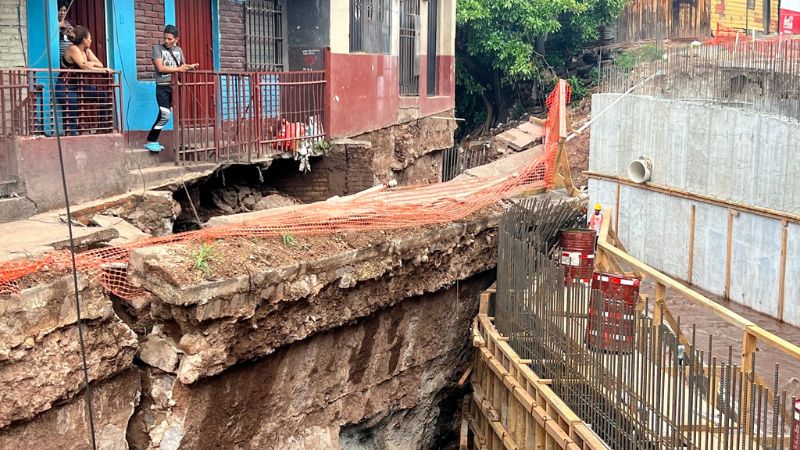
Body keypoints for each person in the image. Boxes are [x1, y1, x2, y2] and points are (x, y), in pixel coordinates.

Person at [144, 24, 199, 153]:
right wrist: (178, 69)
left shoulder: (178, 51)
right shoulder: (157, 49)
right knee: (165, 115)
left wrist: (190, 67)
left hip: (174, 88)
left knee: (165, 115)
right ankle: (150, 141)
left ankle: (153, 141)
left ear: (176, 39)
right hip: (162, 88)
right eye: (165, 38)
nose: (166, 41)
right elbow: (160, 68)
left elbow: (182, 66)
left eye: (170, 39)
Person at [57, 25, 113, 136]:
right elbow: (83, 66)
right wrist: (99, 68)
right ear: (84, 39)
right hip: (65, 86)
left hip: (79, 86)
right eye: (89, 38)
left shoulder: (87, 51)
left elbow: (100, 64)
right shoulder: (72, 49)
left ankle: (102, 128)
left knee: (103, 96)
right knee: (72, 103)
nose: (91, 40)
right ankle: (71, 134)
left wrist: (91, 63)